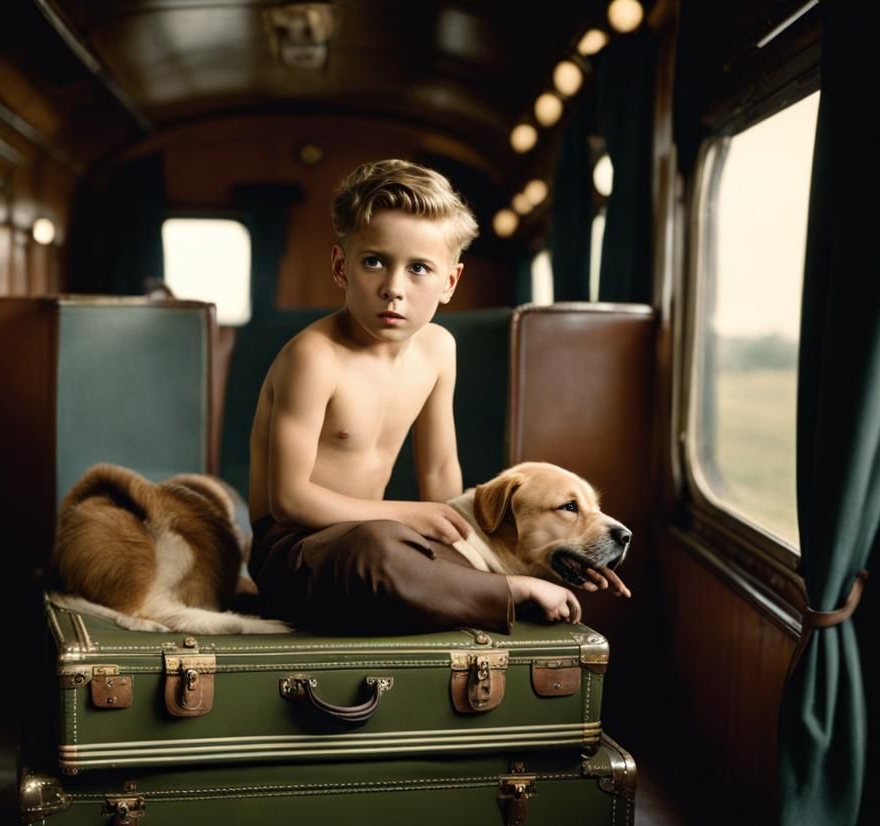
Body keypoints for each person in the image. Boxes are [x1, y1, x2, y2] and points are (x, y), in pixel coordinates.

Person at [246, 158, 625, 635]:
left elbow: (440, 473)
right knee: (381, 547)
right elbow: (290, 500)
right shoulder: (314, 357)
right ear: (342, 267)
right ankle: (507, 594)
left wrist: (462, 550)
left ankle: (477, 585)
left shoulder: (438, 349)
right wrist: (414, 518)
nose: (393, 288)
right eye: (374, 261)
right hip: (296, 554)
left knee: (408, 546)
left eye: (419, 268)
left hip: (375, 533)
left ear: (449, 282)